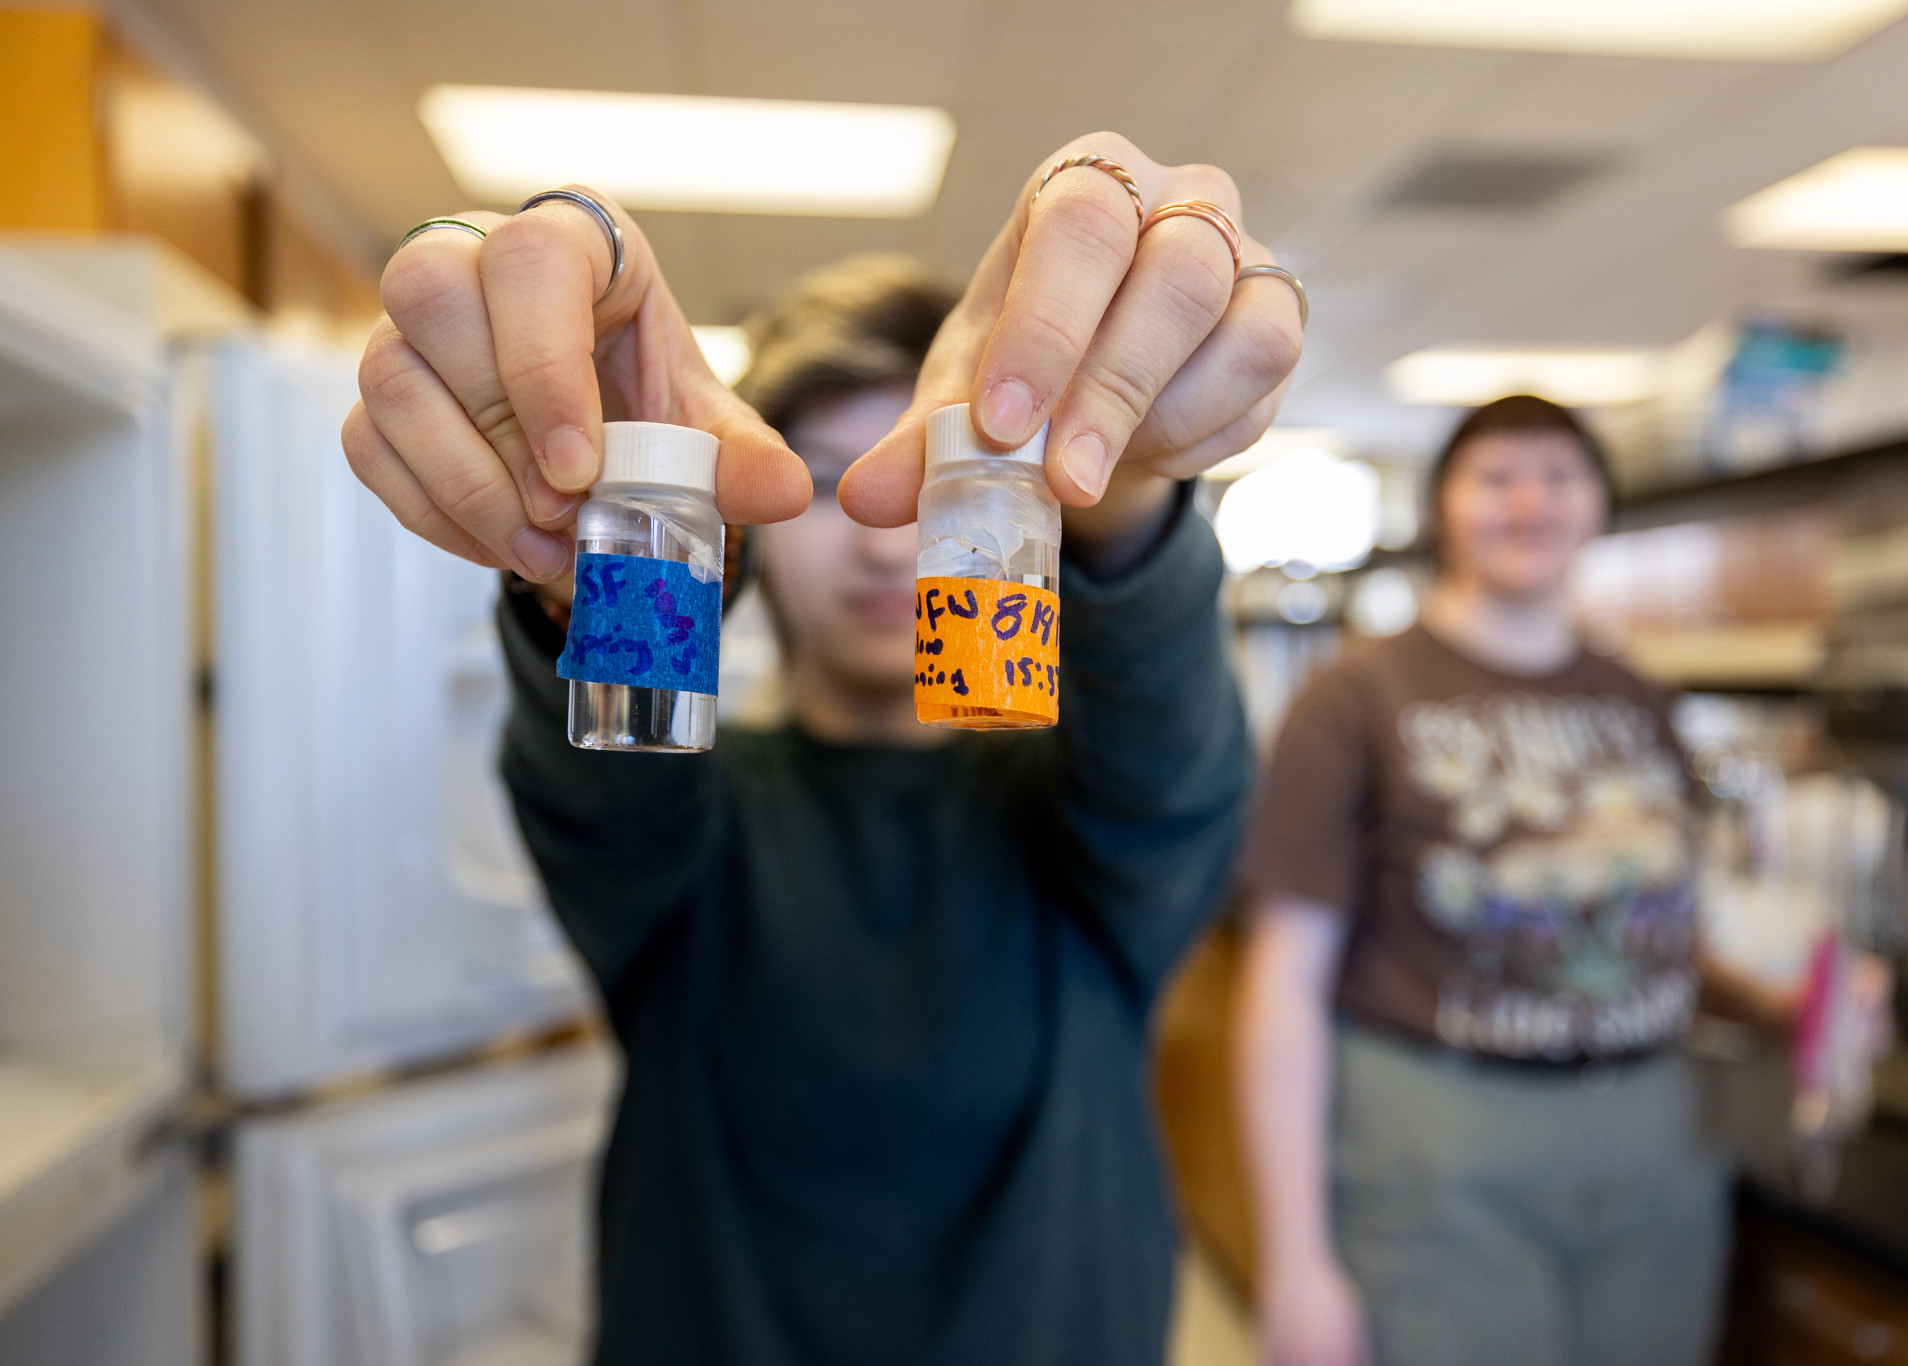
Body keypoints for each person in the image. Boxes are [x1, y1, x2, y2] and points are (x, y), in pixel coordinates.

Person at [342, 135, 1304, 1364]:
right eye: (836, 485)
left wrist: (1108, 477)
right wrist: (621, 515)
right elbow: (607, 781)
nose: (884, 539)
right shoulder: (694, 816)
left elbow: (1166, 755)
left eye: (937, 487)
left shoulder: (1084, 815)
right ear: (751, 513)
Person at [1234, 395, 1796, 1366]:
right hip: (1444, 1133)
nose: (1529, 501)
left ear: (1596, 507)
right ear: (1440, 506)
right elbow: (1281, 981)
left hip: (1655, 1133)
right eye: (1495, 477)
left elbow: (1650, 929)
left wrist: (1788, 1005)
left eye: (1559, 475)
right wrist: (1291, 1259)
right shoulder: (1355, 697)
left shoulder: (1636, 697)